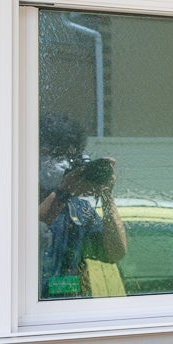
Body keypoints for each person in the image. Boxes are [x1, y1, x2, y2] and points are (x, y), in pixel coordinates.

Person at [38, 112, 127, 298]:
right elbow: (29, 233)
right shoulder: (17, 200)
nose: (62, 162)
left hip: (70, 308)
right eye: (55, 154)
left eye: (69, 156)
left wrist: (106, 195)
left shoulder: (77, 209)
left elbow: (115, 253)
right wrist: (63, 192)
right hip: (27, 307)